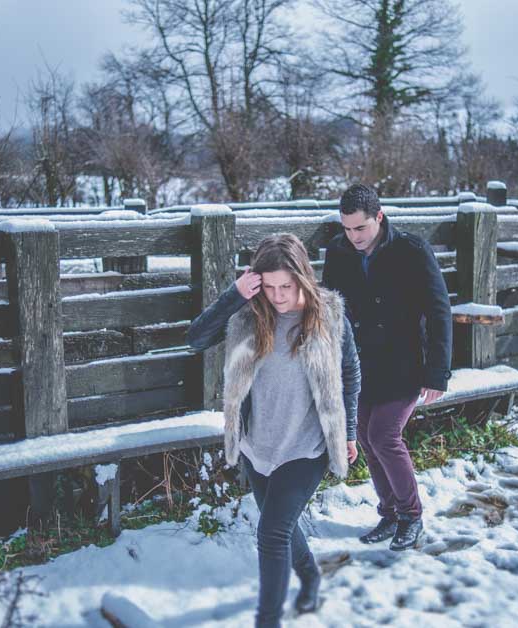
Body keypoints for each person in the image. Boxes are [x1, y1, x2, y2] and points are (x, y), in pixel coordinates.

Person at [187, 233, 361, 628]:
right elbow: (195, 339)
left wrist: (349, 430)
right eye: (269, 286)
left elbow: (349, 372)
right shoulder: (247, 315)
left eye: (287, 286)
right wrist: (234, 295)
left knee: (271, 534)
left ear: (303, 278)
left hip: (306, 449)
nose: (279, 296)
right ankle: (311, 575)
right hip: (257, 447)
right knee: (281, 527)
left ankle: (268, 621)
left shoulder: (330, 316)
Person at [322, 183, 452, 551]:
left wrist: (437, 371)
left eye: (360, 228)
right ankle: (390, 512)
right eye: (346, 229)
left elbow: (439, 311)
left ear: (379, 217)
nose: (353, 236)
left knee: (383, 435)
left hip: (405, 364)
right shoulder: (338, 251)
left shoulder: (411, 250)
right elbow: (331, 310)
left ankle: (412, 515)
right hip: (361, 365)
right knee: (364, 436)